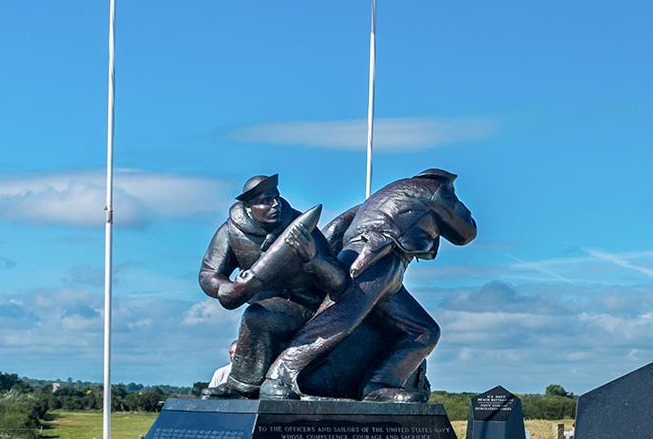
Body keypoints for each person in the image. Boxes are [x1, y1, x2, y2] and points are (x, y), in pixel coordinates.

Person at [263, 169, 476, 402]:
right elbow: (465, 232)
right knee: (339, 318)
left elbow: (336, 227)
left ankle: (379, 386)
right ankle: (278, 377)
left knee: (424, 331)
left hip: (384, 264)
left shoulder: (385, 195)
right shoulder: (437, 190)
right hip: (374, 258)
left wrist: (330, 259)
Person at [197, 175, 348, 397]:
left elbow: (339, 281)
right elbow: (208, 274)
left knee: (257, 316)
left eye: (276, 198)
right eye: (266, 201)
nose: (275, 204)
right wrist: (226, 288)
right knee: (259, 313)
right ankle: (245, 385)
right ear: (249, 207)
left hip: (309, 308)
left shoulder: (300, 227)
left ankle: (242, 387)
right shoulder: (230, 231)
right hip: (267, 304)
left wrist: (313, 259)